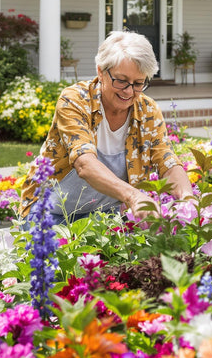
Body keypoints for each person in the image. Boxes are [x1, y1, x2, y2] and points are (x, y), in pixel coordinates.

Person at [20, 30, 193, 225]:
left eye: (138, 83)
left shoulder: (147, 110)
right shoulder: (75, 100)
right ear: (101, 71)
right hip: (49, 213)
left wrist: (188, 198)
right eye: (121, 81)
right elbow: (84, 164)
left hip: (105, 214)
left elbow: (166, 160)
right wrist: (133, 196)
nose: (129, 91)